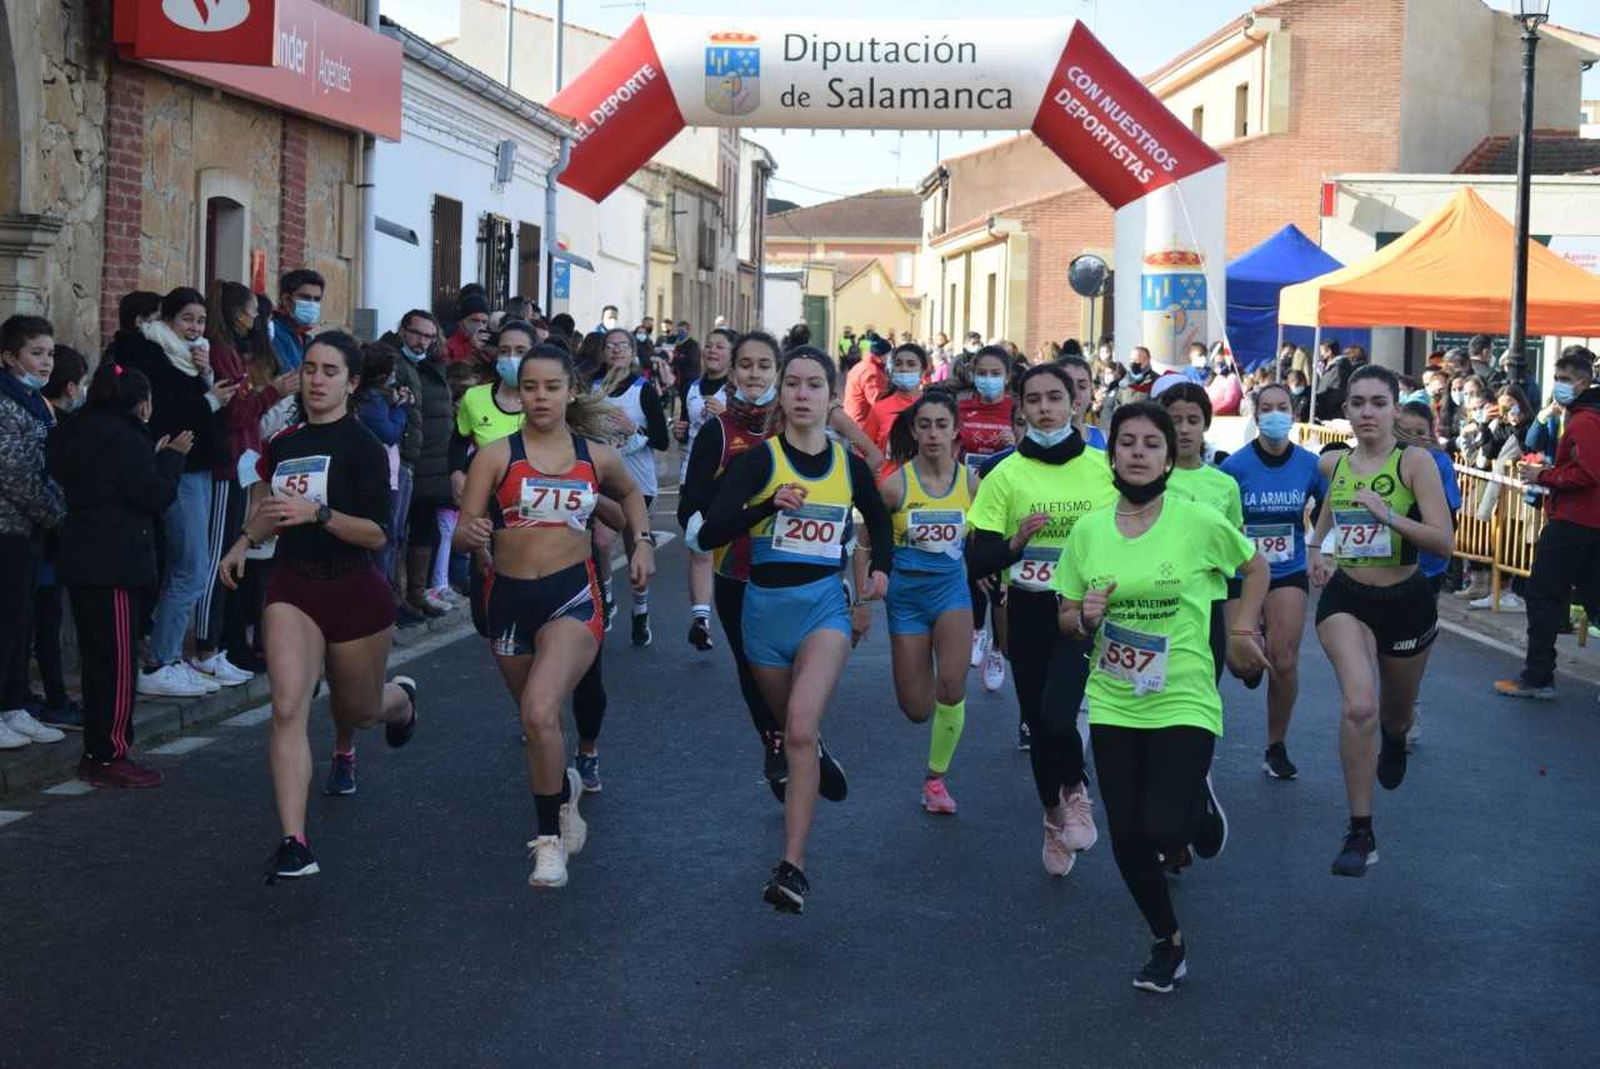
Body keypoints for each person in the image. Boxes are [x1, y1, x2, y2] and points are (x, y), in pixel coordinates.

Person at [1055, 400, 1268, 993]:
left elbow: (1256, 568)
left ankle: (1194, 808)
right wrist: (1084, 616)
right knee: (1126, 835)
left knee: (1163, 828)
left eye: (1153, 443)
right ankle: (1166, 942)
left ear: (1170, 457)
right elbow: (1065, 617)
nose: (1140, 453)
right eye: (1128, 442)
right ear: (1112, 453)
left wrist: (1245, 628)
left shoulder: (1196, 521)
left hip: (1183, 697)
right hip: (1117, 696)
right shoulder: (1089, 530)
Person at [218, 332, 421, 883]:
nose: (317, 379)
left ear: (351, 383)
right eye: (310, 368)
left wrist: (320, 515)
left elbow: (378, 534)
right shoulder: (284, 441)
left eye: (330, 371)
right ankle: (294, 841)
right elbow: (266, 505)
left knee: (360, 711)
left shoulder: (363, 447)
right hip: (293, 586)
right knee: (288, 706)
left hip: (354, 589)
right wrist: (242, 540)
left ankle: (400, 701)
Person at [697, 346, 893, 913]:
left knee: (801, 731)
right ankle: (810, 752)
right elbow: (710, 533)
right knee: (790, 728)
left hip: (821, 610)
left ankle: (792, 867)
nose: (803, 394)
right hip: (763, 613)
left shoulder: (846, 464)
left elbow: (878, 517)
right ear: (781, 395)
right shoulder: (759, 462)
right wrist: (766, 508)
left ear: (833, 398)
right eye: (794, 385)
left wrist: (880, 568)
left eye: (814, 385)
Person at [453, 342, 654, 888]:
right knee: (534, 720)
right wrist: (472, 535)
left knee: (542, 712)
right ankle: (562, 792)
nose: (540, 397)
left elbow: (632, 494)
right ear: (520, 393)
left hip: (572, 596)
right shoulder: (495, 456)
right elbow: (468, 528)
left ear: (569, 392)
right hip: (510, 600)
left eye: (552, 387)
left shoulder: (594, 457)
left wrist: (642, 543)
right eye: (531, 387)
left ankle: (548, 844)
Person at [966, 364, 1114, 875]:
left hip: (1081, 611)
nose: (1046, 408)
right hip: (1026, 608)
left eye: (1056, 397)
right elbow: (979, 558)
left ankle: (1076, 791)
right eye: (1035, 400)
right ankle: (1053, 817)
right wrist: (1015, 545)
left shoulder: (1103, 468)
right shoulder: (1003, 474)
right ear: (1021, 409)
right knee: (1036, 720)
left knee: (1059, 714)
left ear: (1076, 403)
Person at [1308, 365, 1454, 878]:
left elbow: (1443, 541)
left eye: (1377, 402)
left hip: (1407, 600)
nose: (1366, 412)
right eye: (1356, 403)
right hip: (1347, 598)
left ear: (1395, 408)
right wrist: (1315, 549)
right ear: (1345, 410)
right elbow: (1329, 511)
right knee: (1358, 705)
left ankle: (1394, 740)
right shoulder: (1337, 464)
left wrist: (1387, 515)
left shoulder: (1415, 463)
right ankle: (1360, 830)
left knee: (1394, 715)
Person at [48, 362, 188, 785]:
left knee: (96, 660)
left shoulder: (72, 430)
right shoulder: (124, 438)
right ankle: (109, 752)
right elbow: (153, 494)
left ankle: (99, 748)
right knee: (117, 663)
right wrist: (170, 459)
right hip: (115, 559)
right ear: (140, 403)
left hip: (81, 553)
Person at [109, 288, 241, 699]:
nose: (195, 328)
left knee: (188, 566)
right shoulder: (151, 355)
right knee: (191, 566)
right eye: (187, 319)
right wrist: (210, 398)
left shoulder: (187, 355)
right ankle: (161, 661)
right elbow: (171, 416)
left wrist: (204, 377)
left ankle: (168, 655)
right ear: (166, 319)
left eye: (200, 321)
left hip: (195, 466)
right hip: (179, 467)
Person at [679, 332, 795, 798]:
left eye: (764, 366)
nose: (754, 374)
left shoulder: (796, 428)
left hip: (794, 571)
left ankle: (799, 730)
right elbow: (691, 505)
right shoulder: (717, 431)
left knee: (796, 663)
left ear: (778, 373)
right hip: (737, 572)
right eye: (745, 365)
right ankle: (775, 740)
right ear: (732, 373)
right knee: (754, 668)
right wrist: (710, 525)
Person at [1221, 383, 1327, 778]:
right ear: (1255, 415)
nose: (1274, 414)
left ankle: (1276, 745)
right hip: (1242, 571)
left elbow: (1330, 503)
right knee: (1240, 664)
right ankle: (1249, 666)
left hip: (1287, 570)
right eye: (1266, 408)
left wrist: (1319, 547)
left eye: (1282, 407)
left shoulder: (1309, 464)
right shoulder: (1234, 468)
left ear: (1294, 413)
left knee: (1284, 659)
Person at [874, 391, 974, 814]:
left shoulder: (971, 482)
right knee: (916, 709)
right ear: (914, 431)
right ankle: (925, 687)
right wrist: (869, 580)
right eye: (925, 425)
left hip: (951, 591)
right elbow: (870, 538)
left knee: (952, 685)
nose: (933, 433)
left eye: (941, 425)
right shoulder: (896, 484)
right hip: (907, 598)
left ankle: (935, 779)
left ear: (955, 431)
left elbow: (983, 534)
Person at [195, 280, 293, 688]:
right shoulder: (222, 353)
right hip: (228, 465)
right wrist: (275, 392)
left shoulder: (233, 352)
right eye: (251, 310)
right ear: (235, 312)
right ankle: (206, 647)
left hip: (244, 463)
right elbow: (235, 415)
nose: (255, 318)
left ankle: (221, 645)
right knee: (221, 555)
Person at [1496, 348, 1600, 700]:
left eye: (1565, 380)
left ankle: (1538, 675)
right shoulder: (1585, 416)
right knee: (1592, 597)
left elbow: (1588, 472)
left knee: (1543, 595)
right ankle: (1539, 673)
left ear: (1584, 382)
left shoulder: (1585, 420)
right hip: (1586, 521)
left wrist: (1545, 474)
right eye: (1557, 380)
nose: (1559, 386)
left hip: (1574, 521)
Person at [0, 315, 67, 749]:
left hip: (31, 529)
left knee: (20, 621)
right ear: (9, 358)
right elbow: (16, 472)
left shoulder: (36, 402)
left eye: (50, 354)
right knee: (4, 621)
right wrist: (56, 512)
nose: (46, 363)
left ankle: (12, 704)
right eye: (36, 354)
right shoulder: (6, 404)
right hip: (8, 525)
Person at [594, 326, 669, 647]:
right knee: (600, 540)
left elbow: (663, 441)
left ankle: (640, 611)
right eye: (610, 346)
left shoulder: (643, 390)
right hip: (604, 481)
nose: (616, 351)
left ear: (631, 352)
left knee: (634, 547)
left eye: (622, 346)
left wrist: (632, 428)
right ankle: (608, 598)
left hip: (638, 484)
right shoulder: (593, 388)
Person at [30, 345, 89, 729]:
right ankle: (53, 696)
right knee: (44, 623)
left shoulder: (49, 418)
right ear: (71, 388)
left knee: (39, 621)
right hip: (45, 540)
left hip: (46, 540)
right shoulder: (60, 427)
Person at [957, 346, 1017, 689]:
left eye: (996, 374)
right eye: (984, 373)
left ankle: (997, 647)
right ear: (973, 374)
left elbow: (1029, 448)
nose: (989, 380)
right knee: (975, 567)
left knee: (1000, 577)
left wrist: (1015, 440)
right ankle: (977, 629)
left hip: (1007, 501)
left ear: (1007, 377)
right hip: (970, 498)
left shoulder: (1015, 410)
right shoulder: (962, 407)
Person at [675, 326, 735, 651]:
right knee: (699, 545)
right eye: (709, 346)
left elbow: (756, 431)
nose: (712, 351)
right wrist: (680, 431)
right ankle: (701, 620)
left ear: (731, 354)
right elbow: (684, 432)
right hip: (693, 475)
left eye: (720, 347)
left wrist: (727, 415)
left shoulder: (739, 390)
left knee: (734, 550)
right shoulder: (691, 387)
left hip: (729, 476)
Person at [862, 342, 928, 456]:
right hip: (887, 473)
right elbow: (863, 451)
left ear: (923, 371)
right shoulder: (879, 409)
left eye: (911, 364)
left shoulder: (933, 405)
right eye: (898, 364)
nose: (904, 369)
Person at [269, 269, 324, 373]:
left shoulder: (304, 337)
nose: (312, 304)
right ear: (287, 300)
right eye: (305, 298)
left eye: (317, 299)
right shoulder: (273, 333)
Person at [1056, 353, 1107, 449]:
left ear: (1091, 391)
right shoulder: (1035, 442)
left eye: (1082, 386)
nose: (1075, 393)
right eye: (1068, 385)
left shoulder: (1103, 438)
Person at [843, 334, 891, 427]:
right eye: (889, 355)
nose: (890, 358)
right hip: (862, 424)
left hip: (853, 418)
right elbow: (878, 401)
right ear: (882, 355)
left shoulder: (862, 365)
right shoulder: (872, 371)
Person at [445, 293, 493, 377]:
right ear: (462, 322)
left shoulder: (489, 342)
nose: (480, 326)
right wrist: (471, 348)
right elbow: (451, 375)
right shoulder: (449, 346)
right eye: (475, 320)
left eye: (484, 322)